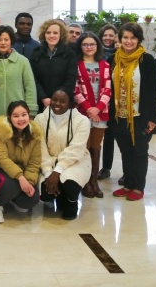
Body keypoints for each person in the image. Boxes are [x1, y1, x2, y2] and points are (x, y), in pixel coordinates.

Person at [109, 22, 156, 202]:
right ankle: (128, 184)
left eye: (133, 38)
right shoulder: (113, 59)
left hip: (140, 116)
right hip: (119, 115)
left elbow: (153, 91)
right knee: (125, 151)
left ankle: (138, 187)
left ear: (139, 40)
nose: (129, 41)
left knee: (139, 151)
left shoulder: (147, 60)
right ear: (119, 39)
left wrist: (152, 118)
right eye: (125, 37)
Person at [36, 90, 91, 220]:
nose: (57, 103)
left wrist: (57, 172)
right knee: (46, 193)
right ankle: (59, 196)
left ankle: (72, 201)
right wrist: (48, 173)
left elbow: (75, 149)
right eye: (54, 99)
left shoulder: (82, 121)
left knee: (70, 183)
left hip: (75, 160)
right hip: (48, 161)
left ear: (70, 103)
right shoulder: (40, 119)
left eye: (62, 101)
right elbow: (40, 148)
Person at [0, 101, 42, 224]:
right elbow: (1, 158)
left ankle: (12, 199)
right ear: (9, 117)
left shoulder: (35, 135)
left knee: (32, 199)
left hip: (24, 173)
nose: (21, 119)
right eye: (16, 116)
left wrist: (28, 182)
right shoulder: (1, 132)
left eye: (24, 115)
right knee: (10, 185)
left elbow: (34, 163)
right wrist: (20, 177)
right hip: (3, 171)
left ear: (29, 115)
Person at [0, 25, 38, 140]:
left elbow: (30, 87)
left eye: (6, 39)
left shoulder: (23, 61)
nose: (3, 43)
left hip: (18, 113)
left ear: (11, 41)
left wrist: (31, 111)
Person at [74, 32, 111, 199]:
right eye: (85, 44)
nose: (89, 47)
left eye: (92, 44)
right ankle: (85, 182)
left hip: (100, 112)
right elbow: (75, 89)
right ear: (80, 46)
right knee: (85, 147)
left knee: (95, 147)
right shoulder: (76, 65)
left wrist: (98, 108)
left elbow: (108, 89)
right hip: (82, 111)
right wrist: (89, 109)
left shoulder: (105, 65)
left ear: (97, 46)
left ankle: (94, 181)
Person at [30, 19, 78, 112]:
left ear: (61, 35)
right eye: (48, 32)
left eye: (55, 33)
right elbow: (33, 78)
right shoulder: (36, 53)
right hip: (40, 102)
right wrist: (43, 98)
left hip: (62, 102)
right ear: (44, 34)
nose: (51, 36)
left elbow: (71, 80)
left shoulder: (70, 54)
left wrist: (55, 100)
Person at [97, 23, 119, 181]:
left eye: (111, 35)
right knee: (101, 137)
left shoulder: (121, 53)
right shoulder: (97, 53)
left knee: (116, 136)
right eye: (105, 35)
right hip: (99, 100)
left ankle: (113, 169)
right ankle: (102, 168)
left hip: (117, 100)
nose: (108, 38)